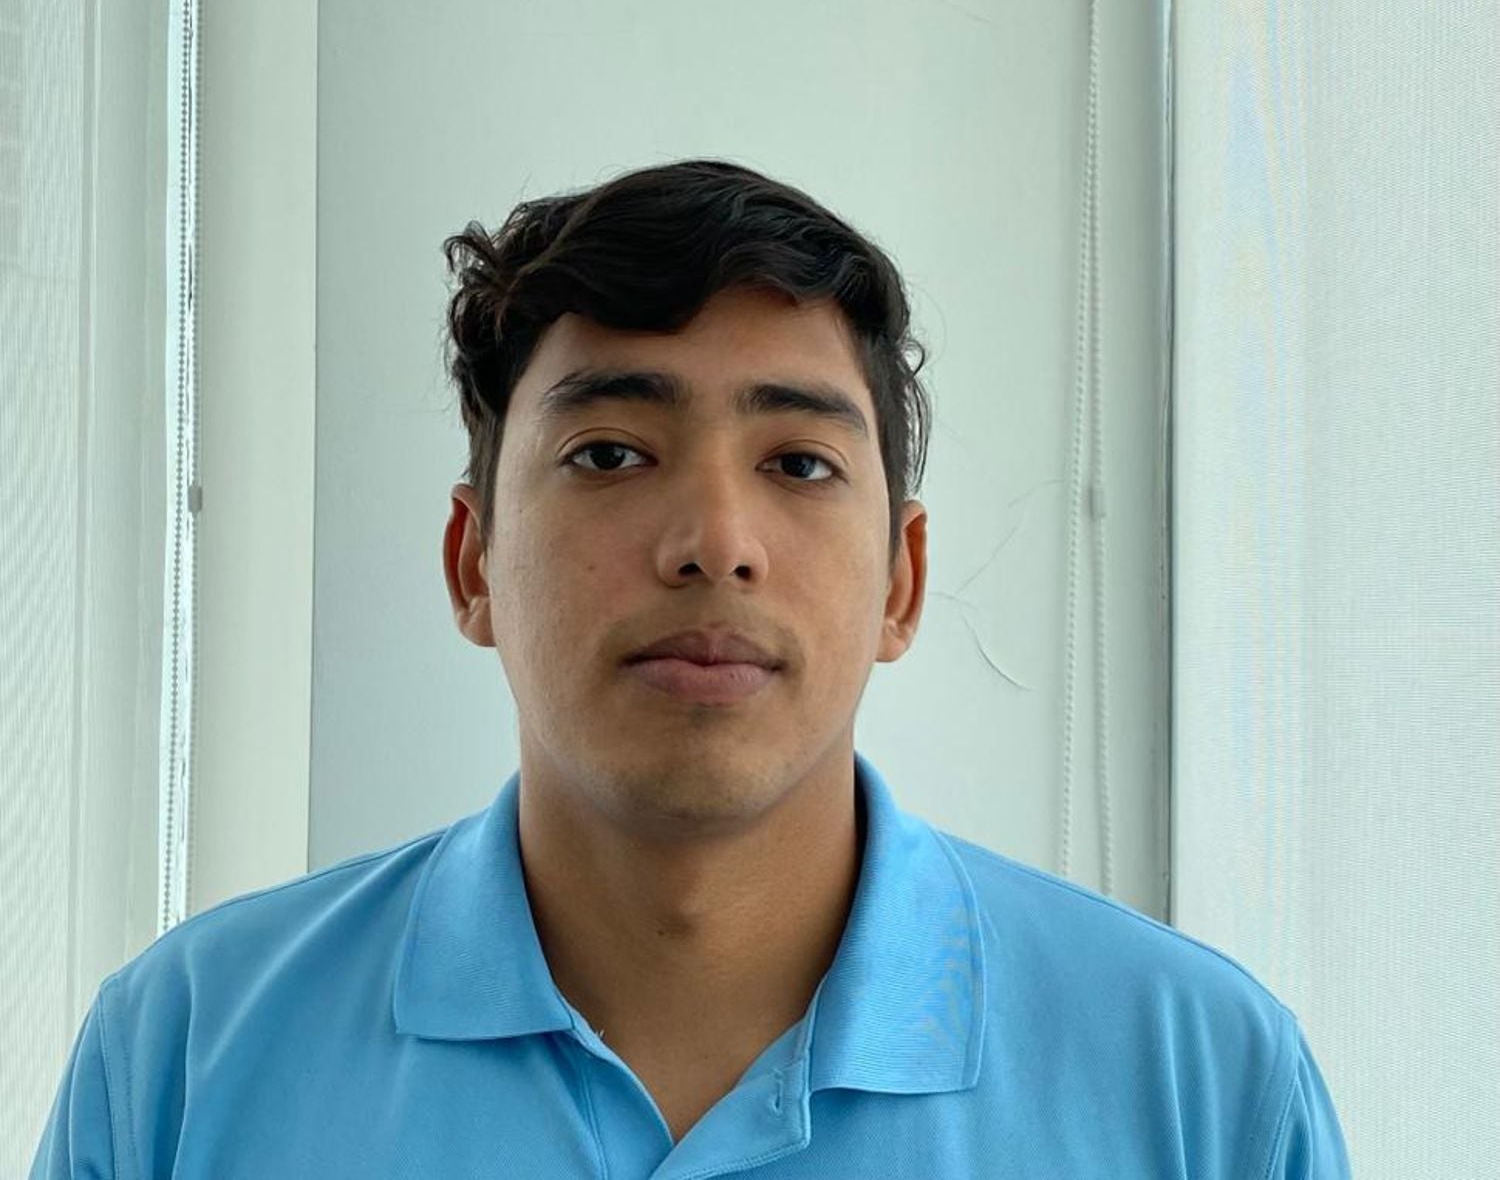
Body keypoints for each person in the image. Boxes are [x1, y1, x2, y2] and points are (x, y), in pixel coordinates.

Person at [31, 158, 1351, 1176]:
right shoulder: (186, 1059)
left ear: (901, 582)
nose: (715, 542)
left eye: (799, 464)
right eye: (609, 454)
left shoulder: (1203, 1087)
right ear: (473, 560)